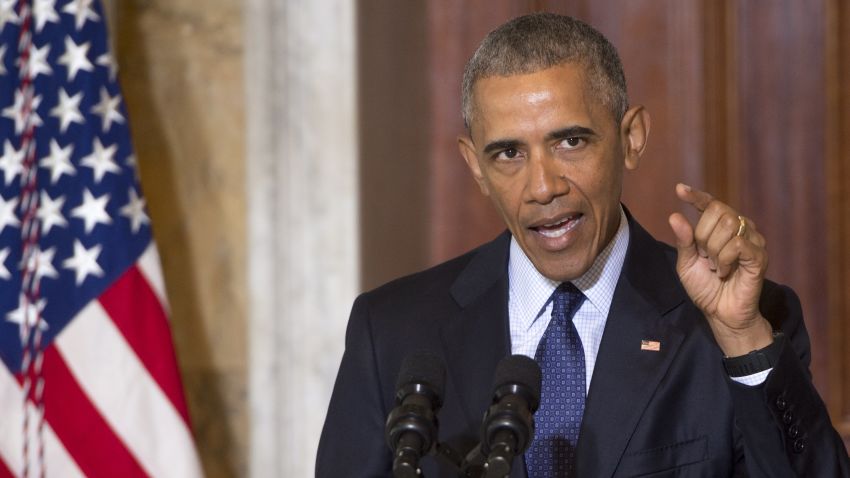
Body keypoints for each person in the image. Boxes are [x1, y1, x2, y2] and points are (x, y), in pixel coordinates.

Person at [317, 12, 850, 477]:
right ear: (475, 167)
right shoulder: (392, 331)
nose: (543, 186)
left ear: (632, 138)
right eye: (507, 153)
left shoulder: (740, 322)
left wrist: (743, 338)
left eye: (570, 141)